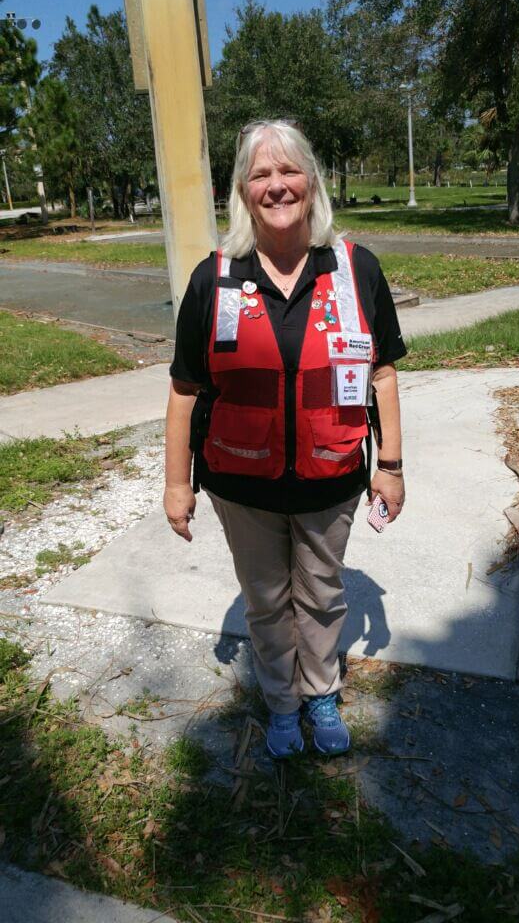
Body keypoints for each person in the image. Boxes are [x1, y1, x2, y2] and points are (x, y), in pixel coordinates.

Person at [164, 120, 406, 758]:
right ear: (243, 192)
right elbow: (185, 391)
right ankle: (280, 702)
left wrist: (392, 465)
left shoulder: (356, 270)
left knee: (323, 594)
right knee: (267, 600)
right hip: (241, 483)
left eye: (288, 171)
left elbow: (381, 373)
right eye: (261, 174)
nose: (277, 186)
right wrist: (175, 486)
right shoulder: (213, 280)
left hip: (331, 476)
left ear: (312, 181)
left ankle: (321, 692)